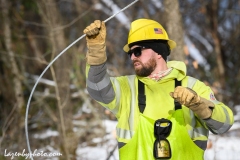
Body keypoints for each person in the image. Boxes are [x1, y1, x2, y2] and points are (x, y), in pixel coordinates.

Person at [83, 18, 234, 160]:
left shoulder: (193, 86)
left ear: (158, 51)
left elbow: (224, 124)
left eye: (137, 51)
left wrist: (200, 105)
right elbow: (97, 88)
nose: (132, 57)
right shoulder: (126, 88)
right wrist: (96, 51)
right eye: (130, 53)